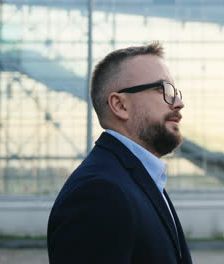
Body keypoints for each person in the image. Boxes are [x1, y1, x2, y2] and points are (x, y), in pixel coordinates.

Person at [47, 42, 193, 264]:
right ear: (120, 105)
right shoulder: (99, 192)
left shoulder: (134, 180)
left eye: (175, 91)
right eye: (162, 89)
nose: (178, 103)